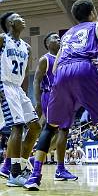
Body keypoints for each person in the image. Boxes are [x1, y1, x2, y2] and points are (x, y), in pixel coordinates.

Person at [25, 0, 98, 191]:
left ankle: (34, 176)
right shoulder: (96, 25)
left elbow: (55, 66)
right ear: (93, 12)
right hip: (84, 68)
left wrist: (62, 85)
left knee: (50, 127)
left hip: (61, 74)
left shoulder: (66, 35)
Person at [0, 12, 41, 186]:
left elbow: (25, 75)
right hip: (4, 84)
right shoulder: (2, 39)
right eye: (18, 17)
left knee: (35, 127)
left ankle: (21, 164)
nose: (23, 18)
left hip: (18, 90)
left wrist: (24, 95)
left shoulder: (27, 47)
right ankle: (14, 173)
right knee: (17, 126)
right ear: (10, 23)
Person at [33, 32, 77, 181]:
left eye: (59, 37)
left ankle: (57, 166)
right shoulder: (45, 59)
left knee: (63, 132)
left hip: (66, 97)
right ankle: (43, 165)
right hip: (50, 95)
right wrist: (38, 102)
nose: (58, 39)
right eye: (54, 38)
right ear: (47, 43)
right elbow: (36, 81)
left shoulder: (66, 58)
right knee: (52, 130)